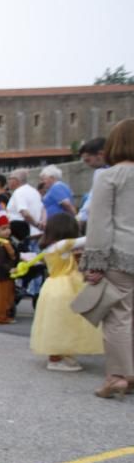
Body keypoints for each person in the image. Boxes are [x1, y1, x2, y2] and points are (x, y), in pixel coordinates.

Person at [81, 117, 134, 399]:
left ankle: (117, 376)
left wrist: (95, 263)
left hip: (119, 255)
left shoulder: (109, 177)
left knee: (117, 317)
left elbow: (100, 223)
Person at [24, 213, 103, 370]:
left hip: (52, 286)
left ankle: (62, 354)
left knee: (58, 322)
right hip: (65, 287)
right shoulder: (63, 245)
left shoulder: (49, 247)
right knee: (64, 322)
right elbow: (88, 239)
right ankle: (56, 359)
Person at [6, 168, 45, 245]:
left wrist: (36, 225)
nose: (8, 181)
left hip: (25, 234)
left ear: (15, 180)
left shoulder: (19, 192)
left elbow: (25, 213)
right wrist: (43, 222)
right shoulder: (34, 191)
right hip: (37, 233)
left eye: (9, 178)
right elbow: (43, 209)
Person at [77, 138, 107, 234]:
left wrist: (81, 218)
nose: (87, 164)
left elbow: (93, 198)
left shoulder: (101, 173)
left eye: (88, 160)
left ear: (101, 154)